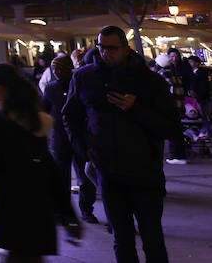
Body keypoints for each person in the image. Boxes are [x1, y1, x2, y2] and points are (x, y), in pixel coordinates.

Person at [63, 25, 180, 263]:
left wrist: (135, 108)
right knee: (121, 237)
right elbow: (70, 116)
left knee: (152, 238)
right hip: (109, 172)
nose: (106, 54)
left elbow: (171, 126)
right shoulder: (85, 77)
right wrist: (84, 149)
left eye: (112, 49)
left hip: (145, 171)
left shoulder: (149, 80)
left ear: (126, 49)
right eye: (101, 48)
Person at [0, 62, 80, 261]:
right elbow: (50, 172)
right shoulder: (35, 120)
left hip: (11, 209)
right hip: (39, 210)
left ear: (0, 88)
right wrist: (68, 215)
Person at [39, 53, 97, 225]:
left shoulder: (78, 82)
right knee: (61, 177)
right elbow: (45, 110)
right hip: (60, 138)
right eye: (54, 68)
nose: (56, 71)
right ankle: (62, 210)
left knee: (84, 176)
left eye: (59, 67)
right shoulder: (50, 88)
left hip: (78, 136)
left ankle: (86, 209)